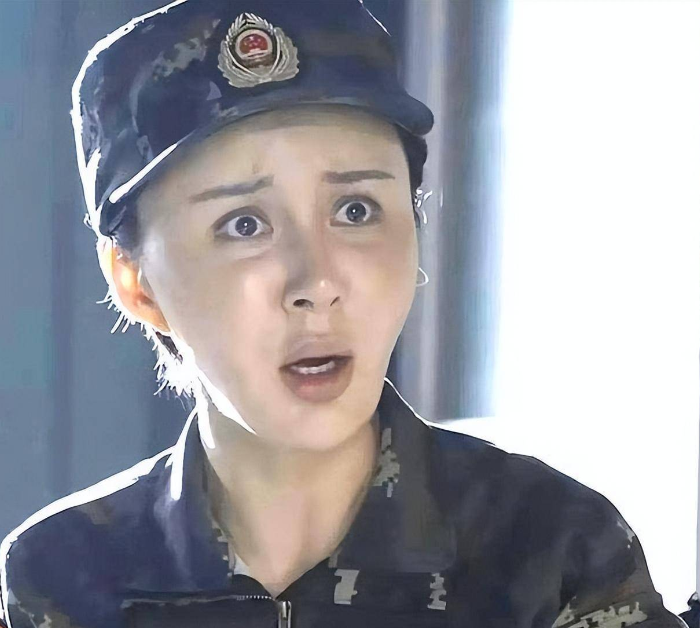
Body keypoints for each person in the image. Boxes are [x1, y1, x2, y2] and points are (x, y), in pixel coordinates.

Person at [0, 0, 689, 627]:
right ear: (136, 282)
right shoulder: (61, 578)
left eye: (356, 210)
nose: (319, 281)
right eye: (243, 225)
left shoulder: (552, 551)